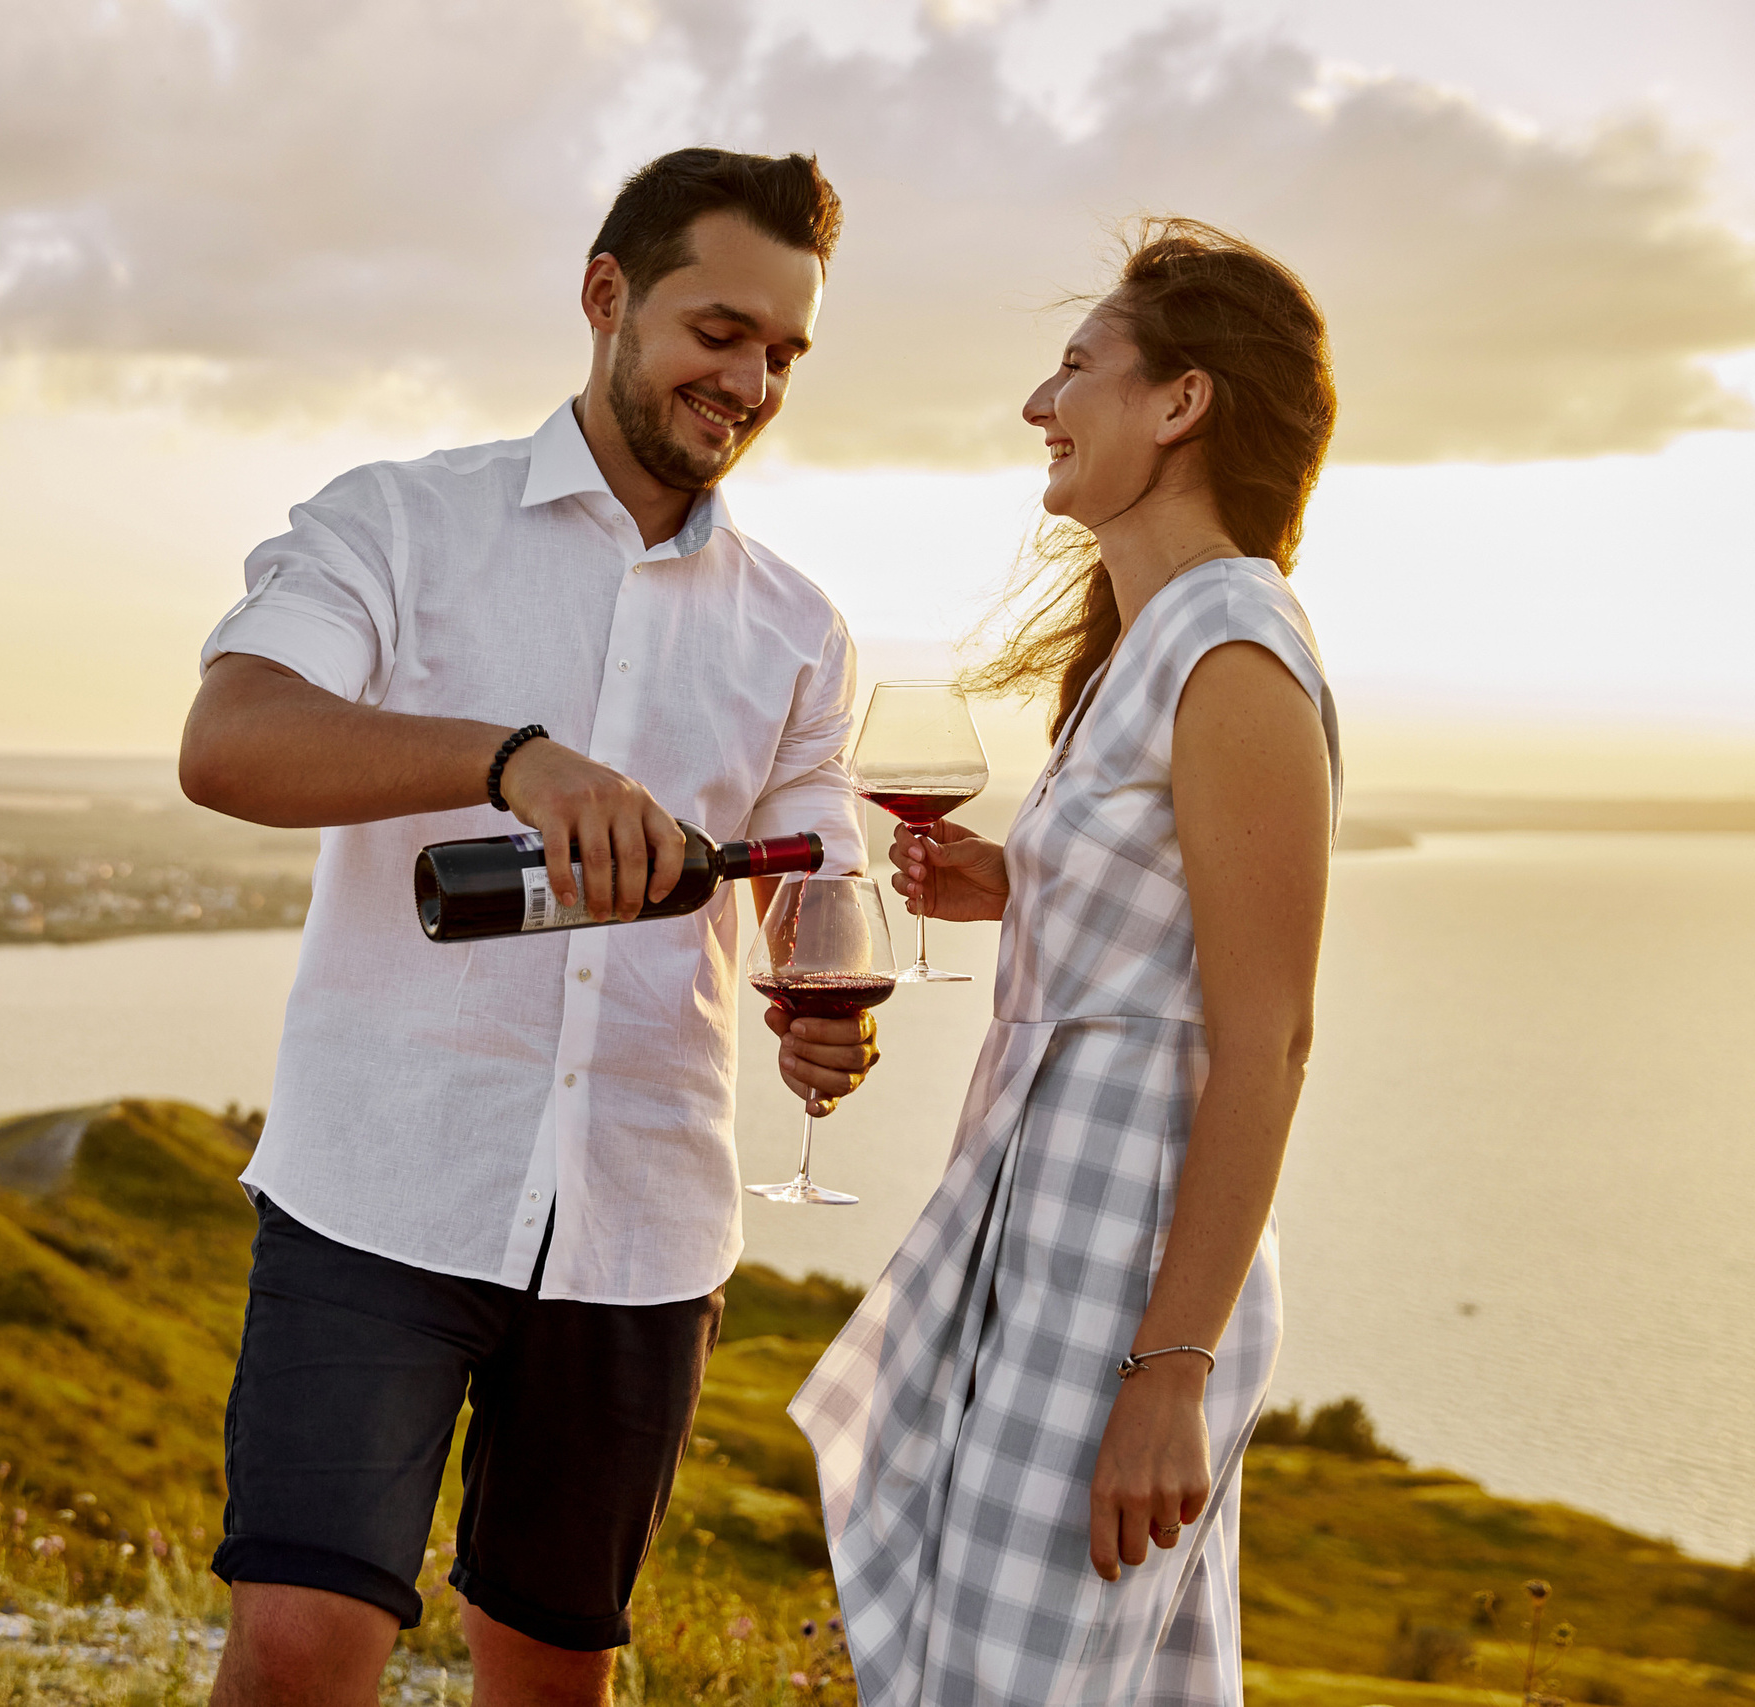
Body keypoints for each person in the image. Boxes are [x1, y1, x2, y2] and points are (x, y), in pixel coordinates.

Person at [176, 148, 879, 1706]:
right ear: (605, 296)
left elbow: (809, 882)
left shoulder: (801, 628)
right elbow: (229, 742)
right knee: (298, 1656)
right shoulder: (399, 522)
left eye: (785, 353)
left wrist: (822, 1008)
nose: (753, 380)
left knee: (556, 1679)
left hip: (643, 1223)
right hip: (381, 1192)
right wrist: (510, 759)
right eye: (721, 332)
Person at [791, 219, 1341, 1706]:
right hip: (1052, 1244)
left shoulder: (1232, 653)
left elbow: (1265, 1041)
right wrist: (1012, 884)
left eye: (1076, 367)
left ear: (1182, 404)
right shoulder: (1148, 651)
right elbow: (1152, 928)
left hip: (1125, 1278)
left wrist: (1171, 1374)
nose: (1041, 405)